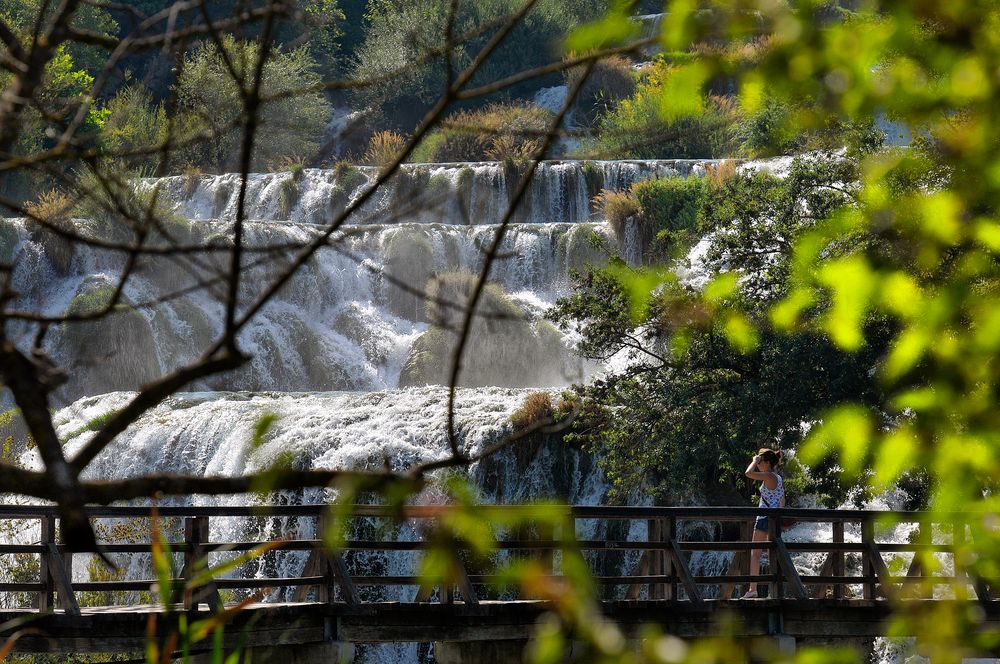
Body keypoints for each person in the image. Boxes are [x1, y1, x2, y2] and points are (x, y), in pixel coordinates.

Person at [741, 447, 784, 599]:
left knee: (755, 554)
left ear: (767, 462)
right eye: (757, 461)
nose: (758, 464)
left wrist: (753, 461)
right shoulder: (777, 478)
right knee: (772, 553)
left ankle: (753, 589)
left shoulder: (768, 476)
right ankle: (774, 590)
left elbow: (748, 473)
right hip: (773, 518)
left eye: (760, 461)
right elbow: (782, 501)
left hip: (765, 518)